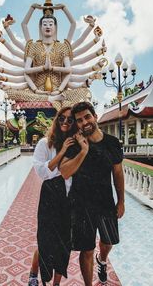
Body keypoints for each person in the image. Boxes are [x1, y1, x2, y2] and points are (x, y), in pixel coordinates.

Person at [59, 102, 125, 285]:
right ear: (77, 124)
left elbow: (118, 173)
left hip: (105, 203)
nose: (84, 122)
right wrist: (83, 150)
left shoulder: (112, 143)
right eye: (79, 120)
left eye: (87, 117)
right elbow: (64, 172)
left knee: (108, 241)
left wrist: (121, 202)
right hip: (80, 205)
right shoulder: (74, 144)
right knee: (86, 249)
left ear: (95, 116)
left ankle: (102, 261)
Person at [29, 106, 75, 286]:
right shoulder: (45, 143)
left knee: (64, 243)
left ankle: (55, 284)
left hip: (69, 196)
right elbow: (42, 171)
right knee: (45, 240)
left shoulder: (76, 143)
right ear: (56, 120)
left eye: (70, 119)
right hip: (50, 195)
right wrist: (62, 151)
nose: (65, 122)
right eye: (62, 118)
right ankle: (34, 274)